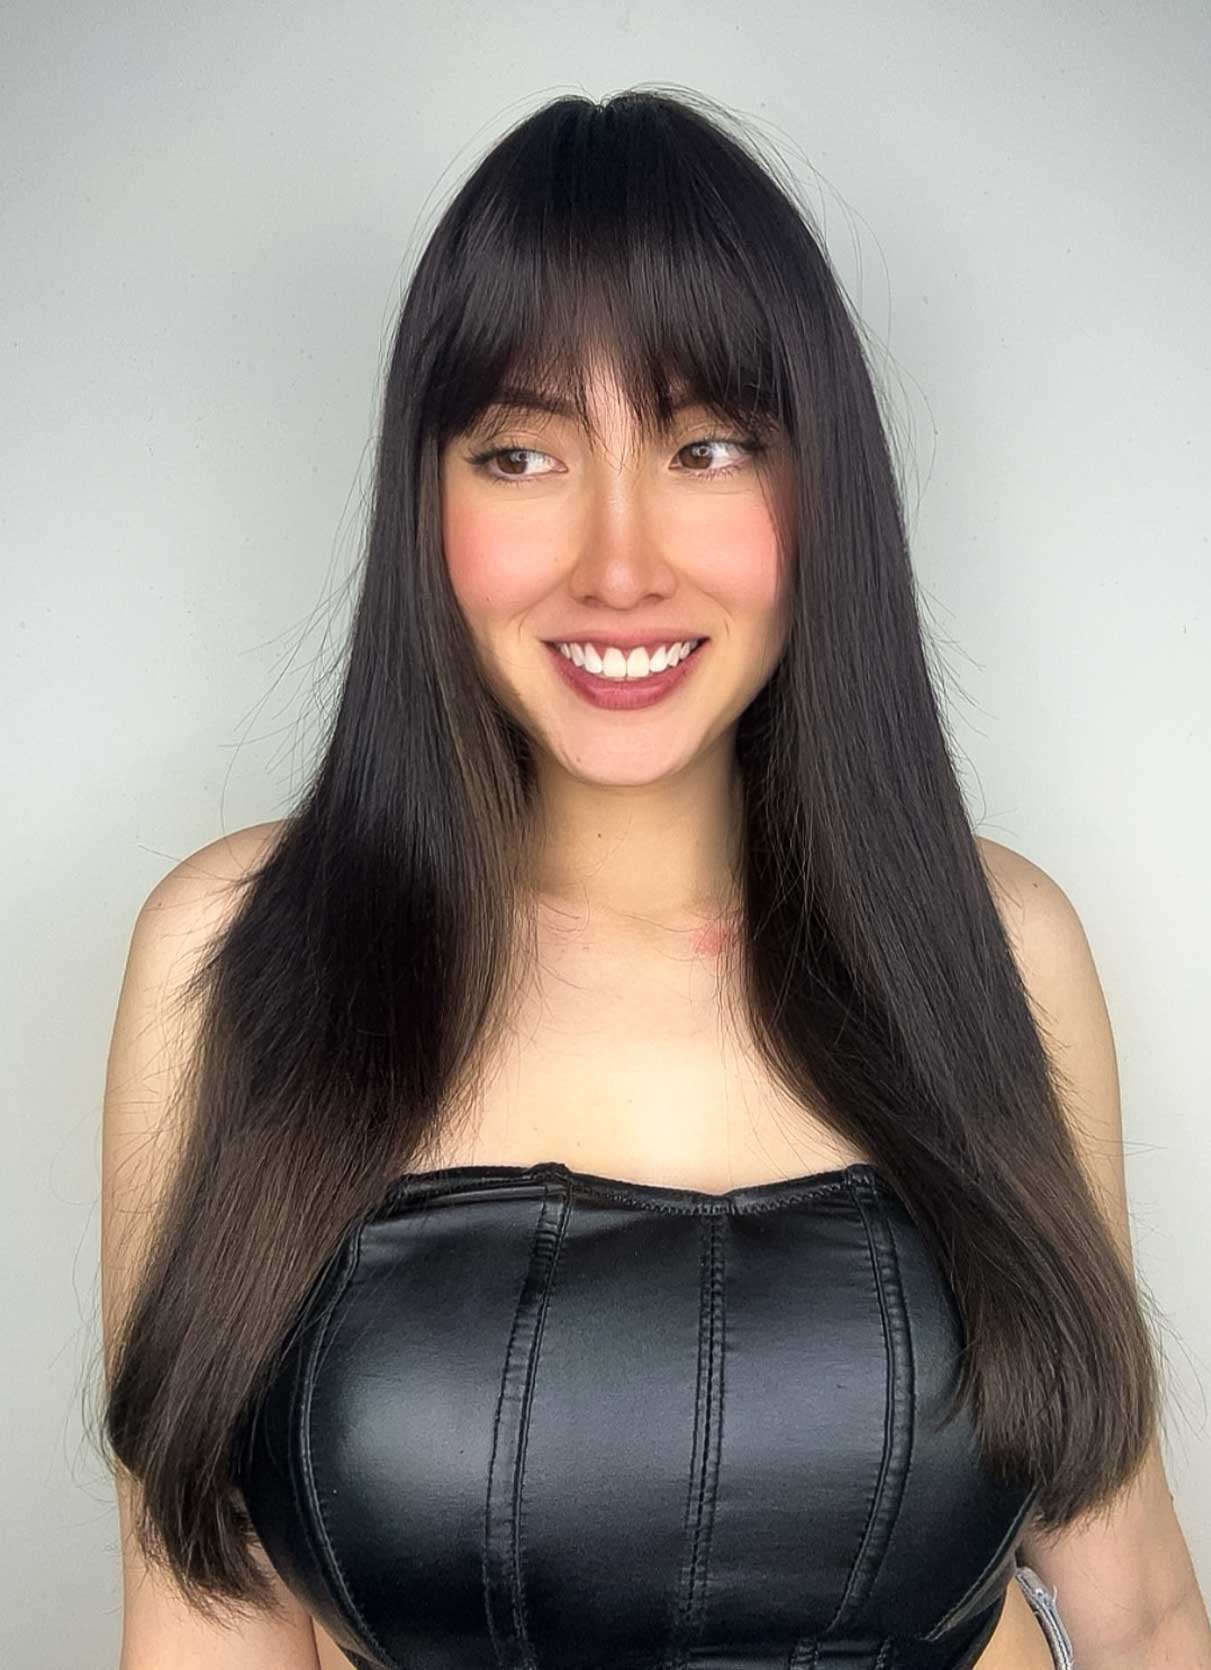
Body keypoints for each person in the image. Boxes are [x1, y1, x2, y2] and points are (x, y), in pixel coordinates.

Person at [96, 87, 1206, 1669]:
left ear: (818, 489)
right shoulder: (241, 955)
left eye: (706, 445)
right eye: (521, 453)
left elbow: (1143, 1609)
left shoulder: (996, 949)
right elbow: (202, 1618)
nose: (619, 563)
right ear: (427, 501)